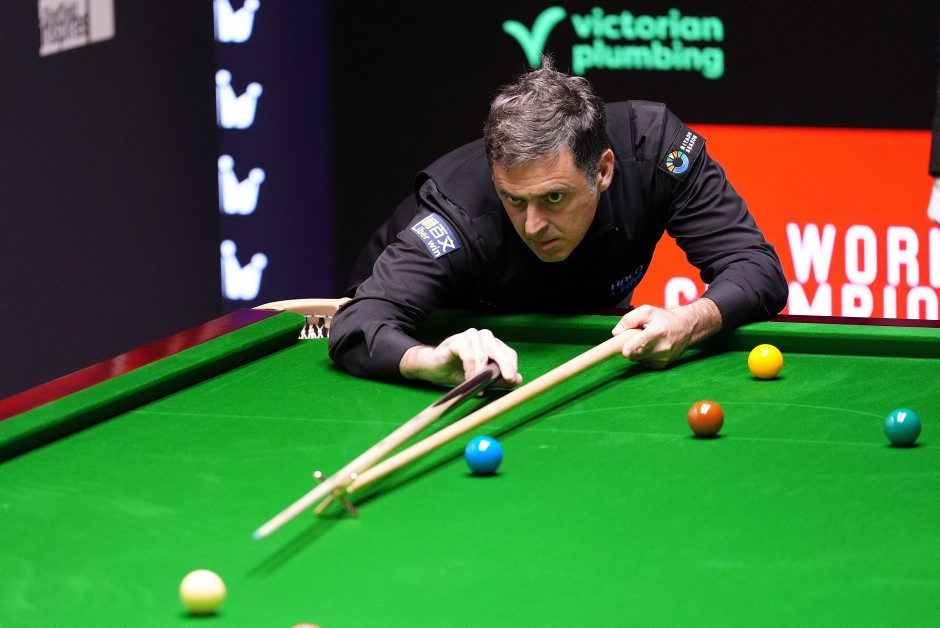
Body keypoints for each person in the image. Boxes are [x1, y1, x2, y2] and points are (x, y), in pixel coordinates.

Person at [329, 59, 788, 388]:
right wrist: (429, 360)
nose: (533, 225)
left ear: (602, 170)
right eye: (514, 199)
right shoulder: (458, 215)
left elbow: (757, 268)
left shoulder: (654, 151)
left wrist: (689, 321)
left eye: (554, 197)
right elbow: (357, 323)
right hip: (451, 339)